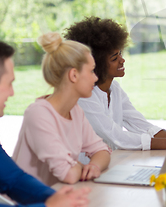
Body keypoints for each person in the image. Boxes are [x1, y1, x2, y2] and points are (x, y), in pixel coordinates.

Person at [64, 17, 166, 151]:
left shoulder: (114, 88)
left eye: (120, 54)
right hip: (85, 169)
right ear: (95, 64)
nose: (122, 60)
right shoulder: (84, 97)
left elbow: (139, 124)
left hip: (110, 163)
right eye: (115, 58)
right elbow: (115, 136)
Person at [0, 40, 91, 207]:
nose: (12, 93)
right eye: (9, 83)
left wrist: (54, 198)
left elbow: (11, 179)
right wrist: (49, 205)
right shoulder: (38, 112)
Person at [12, 33, 111, 186]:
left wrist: (94, 166)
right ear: (74, 75)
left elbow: (102, 150)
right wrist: (80, 166)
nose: (95, 78)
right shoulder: (39, 114)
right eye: (91, 71)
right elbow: (68, 174)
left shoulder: (76, 111)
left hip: (58, 196)